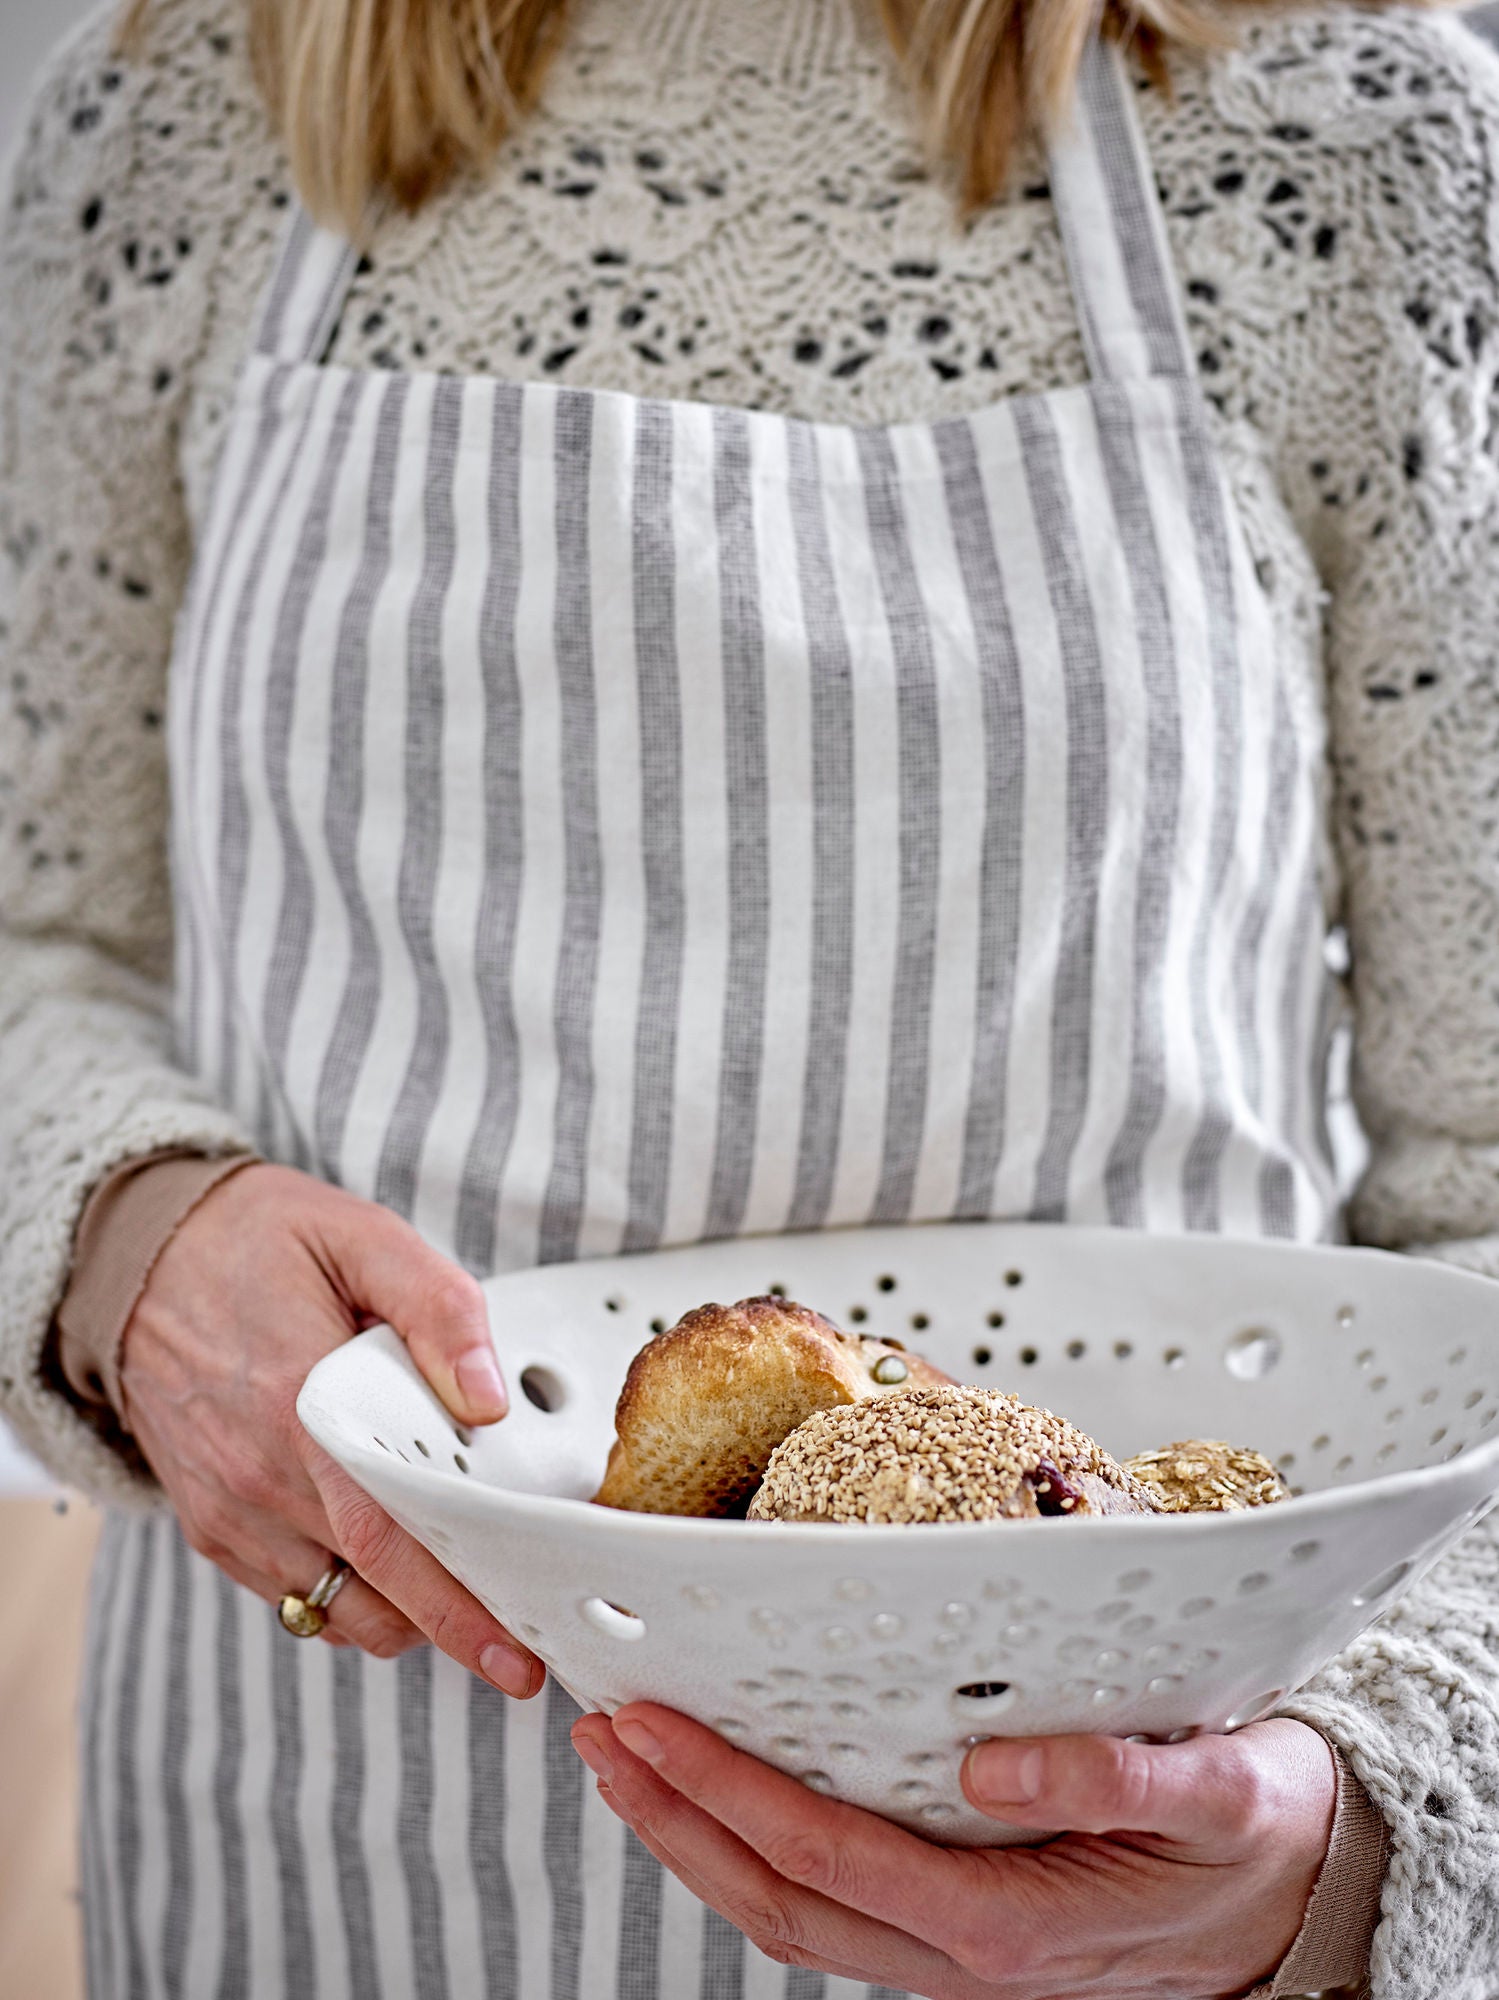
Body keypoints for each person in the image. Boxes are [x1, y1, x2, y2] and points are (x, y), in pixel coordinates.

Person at [2, 0, 1498, 1992]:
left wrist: (1358, 1831)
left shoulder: (1356, 148)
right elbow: (29, 929)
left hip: (1137, 1883)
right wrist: (123, 1241)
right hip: (338, 1836)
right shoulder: (184, 115)